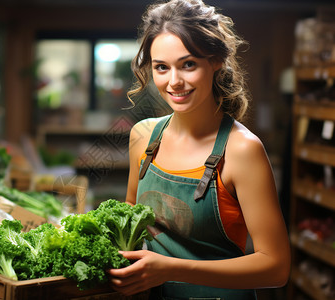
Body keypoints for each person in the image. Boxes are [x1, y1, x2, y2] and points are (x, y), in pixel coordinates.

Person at [107, 0, 291, 299]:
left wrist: (170, 268)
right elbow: (130, 214)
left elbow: (276, 268)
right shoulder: (143, 137)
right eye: (161, 68)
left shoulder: (242, 150)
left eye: (188, 64)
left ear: (216, 60)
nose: (174, 82)